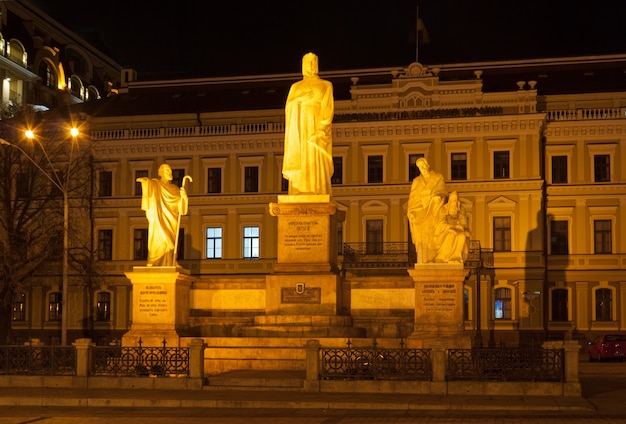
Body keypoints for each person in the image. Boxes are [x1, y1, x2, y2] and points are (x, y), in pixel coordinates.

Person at [282, 52, 334, 196]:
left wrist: (322, 128)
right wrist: (299, 99)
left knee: (315, 156)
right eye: (307, 62)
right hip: (300, 129)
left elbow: (328, 108)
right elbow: (288, 107)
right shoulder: (295, 87)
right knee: (302, 157)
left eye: (313, 62)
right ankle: (299, 190)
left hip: (316, 127)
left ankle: (318, 189)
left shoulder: (326, 85)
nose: (310, 65)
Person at [136, 164, 189, 266]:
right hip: (158, 218)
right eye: (167, 170)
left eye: (170, 170)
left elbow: (181, 210)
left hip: (172, 220)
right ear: (161, 173)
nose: (170, 173)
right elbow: (149, 184)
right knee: (158, 239)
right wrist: (145, 182)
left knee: (170, 243)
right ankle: (155, 260)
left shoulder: (175, 189)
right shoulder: (156, 184)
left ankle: (170, 261)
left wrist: (184, 198)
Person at [407, 157, 446, 263]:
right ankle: (424, 260)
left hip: (434, 211)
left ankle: (437, 258)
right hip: (421, 213)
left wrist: (439, 197)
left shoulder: (438, 178)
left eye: (423, 165)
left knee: (433, 237)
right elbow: (413, 199)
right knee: (423, 239)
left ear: (427, 165)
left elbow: (443, 192)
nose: (422, 168)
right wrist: (412, 212)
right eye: (420, 167)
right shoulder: (417, 181)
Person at [434, 191, 470, 263]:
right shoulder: (443, 209)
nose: (456, 204)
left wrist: (466, 231)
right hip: (443, 233)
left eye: (457, 201)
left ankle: (456, 257)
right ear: (450, 202)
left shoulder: (461, 210)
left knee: (462, 236)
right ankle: (443, 257)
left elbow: (464, 224)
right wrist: (451, 228)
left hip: (458, 231)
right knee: (452, 234)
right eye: (454, 201)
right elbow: (440, 223)